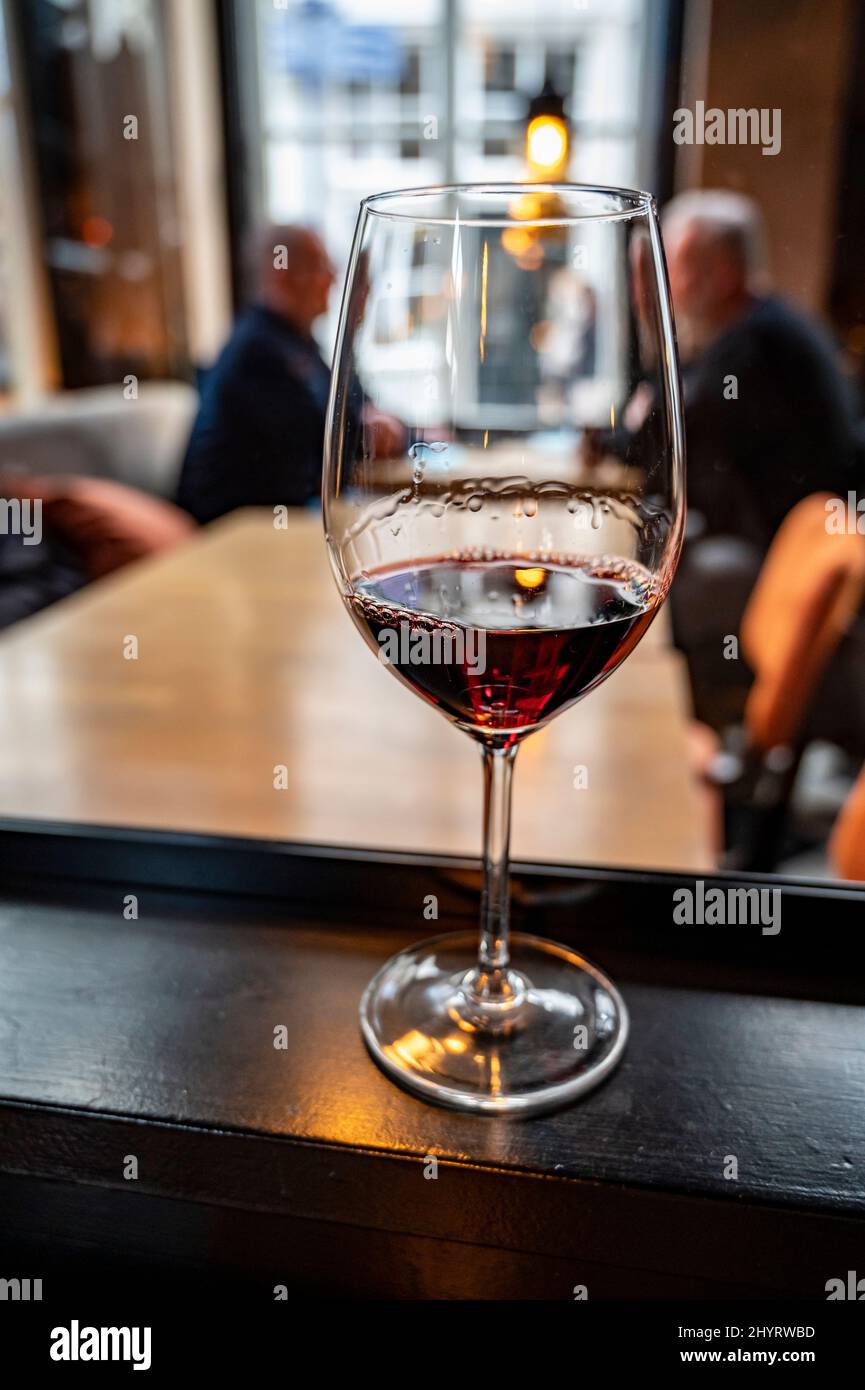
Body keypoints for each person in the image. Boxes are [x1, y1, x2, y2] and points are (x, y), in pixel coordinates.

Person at [176, 225, 403, 524]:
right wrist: (376, 431)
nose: (334, 278)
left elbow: (349, 406)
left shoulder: (297, 344)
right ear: (281, 273)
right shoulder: (258, 352)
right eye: (321, 265)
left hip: (280, 518)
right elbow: (331, 445)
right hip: (241, 532)